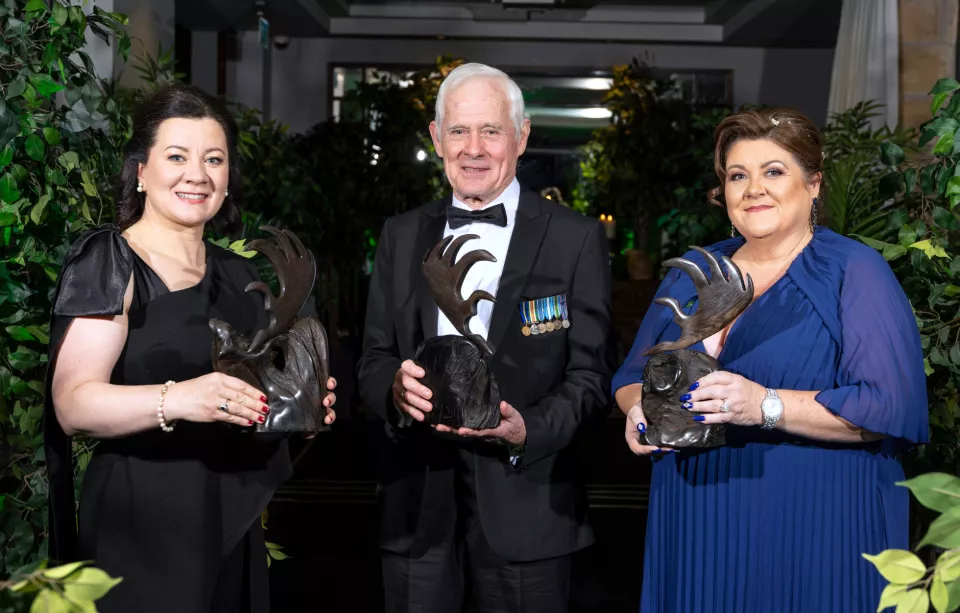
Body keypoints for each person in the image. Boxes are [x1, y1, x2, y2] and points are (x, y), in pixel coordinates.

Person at [613, 108, 929, 612]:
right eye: (738, 175)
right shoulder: (693, 270)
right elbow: (633, 376)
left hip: (816, 523)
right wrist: (637, 409)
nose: (753, 188)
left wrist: (765, 404)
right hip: (695, 515)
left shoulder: (853, 271)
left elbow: (886, 405)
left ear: (814, 184)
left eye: (773, 172)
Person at [42, 83, 337, 613]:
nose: (197, 174)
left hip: (229, 516)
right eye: (176, 156)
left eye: (214, 159)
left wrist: (296, 406)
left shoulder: (241, 274)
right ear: (141, 170)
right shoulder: (111, 261)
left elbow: (251, 397)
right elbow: (73, 404)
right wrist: (181, 399)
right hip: (140, 522)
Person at [358, 62, 614, 613]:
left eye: (490, 131)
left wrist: (528, 431)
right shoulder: (400, 236)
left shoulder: (576, 239)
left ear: (521, 137)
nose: (473, 149)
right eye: (458, 131)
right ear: (436, 137)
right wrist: (393, 393)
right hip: (416, 502)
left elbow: (591, 378)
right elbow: (373, 358)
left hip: (530, 504)